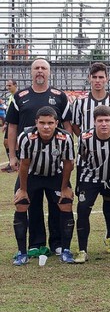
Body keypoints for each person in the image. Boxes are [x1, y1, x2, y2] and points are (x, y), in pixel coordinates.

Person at [6, 58, 72, 256]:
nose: (40, 71)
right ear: (31, 72)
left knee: (56, 203)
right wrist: (11, 156)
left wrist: (67, 149)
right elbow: (12, 127)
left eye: (44, 68)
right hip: (29, 160)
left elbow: (67, 126)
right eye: (36, 68)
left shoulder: (60, 96)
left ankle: (58, 243)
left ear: (49, 72)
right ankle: (36, 243)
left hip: (54, 162)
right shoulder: (20, 96)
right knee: (30, 202)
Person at [71, 62, 110, 253]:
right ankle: (83, 247)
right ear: (89, 79)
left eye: (101, 77)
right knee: (86, 202)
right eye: (94, 77)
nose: (97, 81)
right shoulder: (80, 103)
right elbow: (76, 126)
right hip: (89, 159)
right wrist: (89, 142)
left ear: (106, 79)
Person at [12, 106, 75, 265]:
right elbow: (24, 165)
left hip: (55, 175)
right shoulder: (26, 137)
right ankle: (22, 252)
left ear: (56, 123)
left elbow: (68, 164)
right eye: (42, 123)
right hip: (32, 176)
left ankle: (65, 249)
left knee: (66, 204)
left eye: (50, 123)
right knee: (21, 204)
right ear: (36, 123)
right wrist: (23, 189)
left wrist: (65, 187)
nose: (46, 126)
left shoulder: (65, 138)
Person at [74, 106, 110, 263]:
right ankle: (82, 250)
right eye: (100, 121)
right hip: (91, 177)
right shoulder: (85, 137)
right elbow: (82, 157)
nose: (104, 124)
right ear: (94, 122)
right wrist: (79, 184)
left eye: (107, 120)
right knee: (82, 209)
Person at [2, 79, 18, 172]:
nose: (8, 88)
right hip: (9, 122)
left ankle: (15, 164)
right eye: (7, 86)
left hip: (15, 123)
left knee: (15, 143)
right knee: (6, 142)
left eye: (9, 86)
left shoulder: (18, 96)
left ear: (15, 85)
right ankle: (10, 162)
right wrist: (6, 123)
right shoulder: (11, 96)